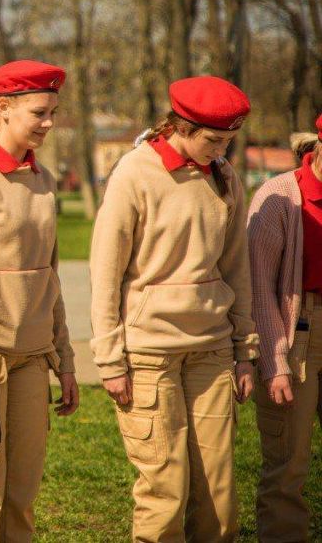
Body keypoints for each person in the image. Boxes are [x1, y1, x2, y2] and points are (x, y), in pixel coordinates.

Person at [90, 76, 258, 542]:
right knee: (164, 489)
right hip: (149, 355)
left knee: (219, 494)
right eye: (213, 140)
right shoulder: (134, 173)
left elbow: (236, 269)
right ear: (181, 125)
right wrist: (109, 359)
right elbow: (105, 273)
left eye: (228, 141)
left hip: (212, 350)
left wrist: (245, 350)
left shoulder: (224, 177)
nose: (221, 150)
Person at [0, 60, 78, 543]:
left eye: (52, 112)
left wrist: (65, 361)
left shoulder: (44, 180)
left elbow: (50, 278)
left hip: (33, 357)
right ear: (3, 109)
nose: (48, 123)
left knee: (23, 494)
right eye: (39, 113)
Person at [247, 112, 322, 541]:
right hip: (298, 334)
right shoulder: (279, 197)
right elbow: (259, 288)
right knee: (289, 464)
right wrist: (274, 361)